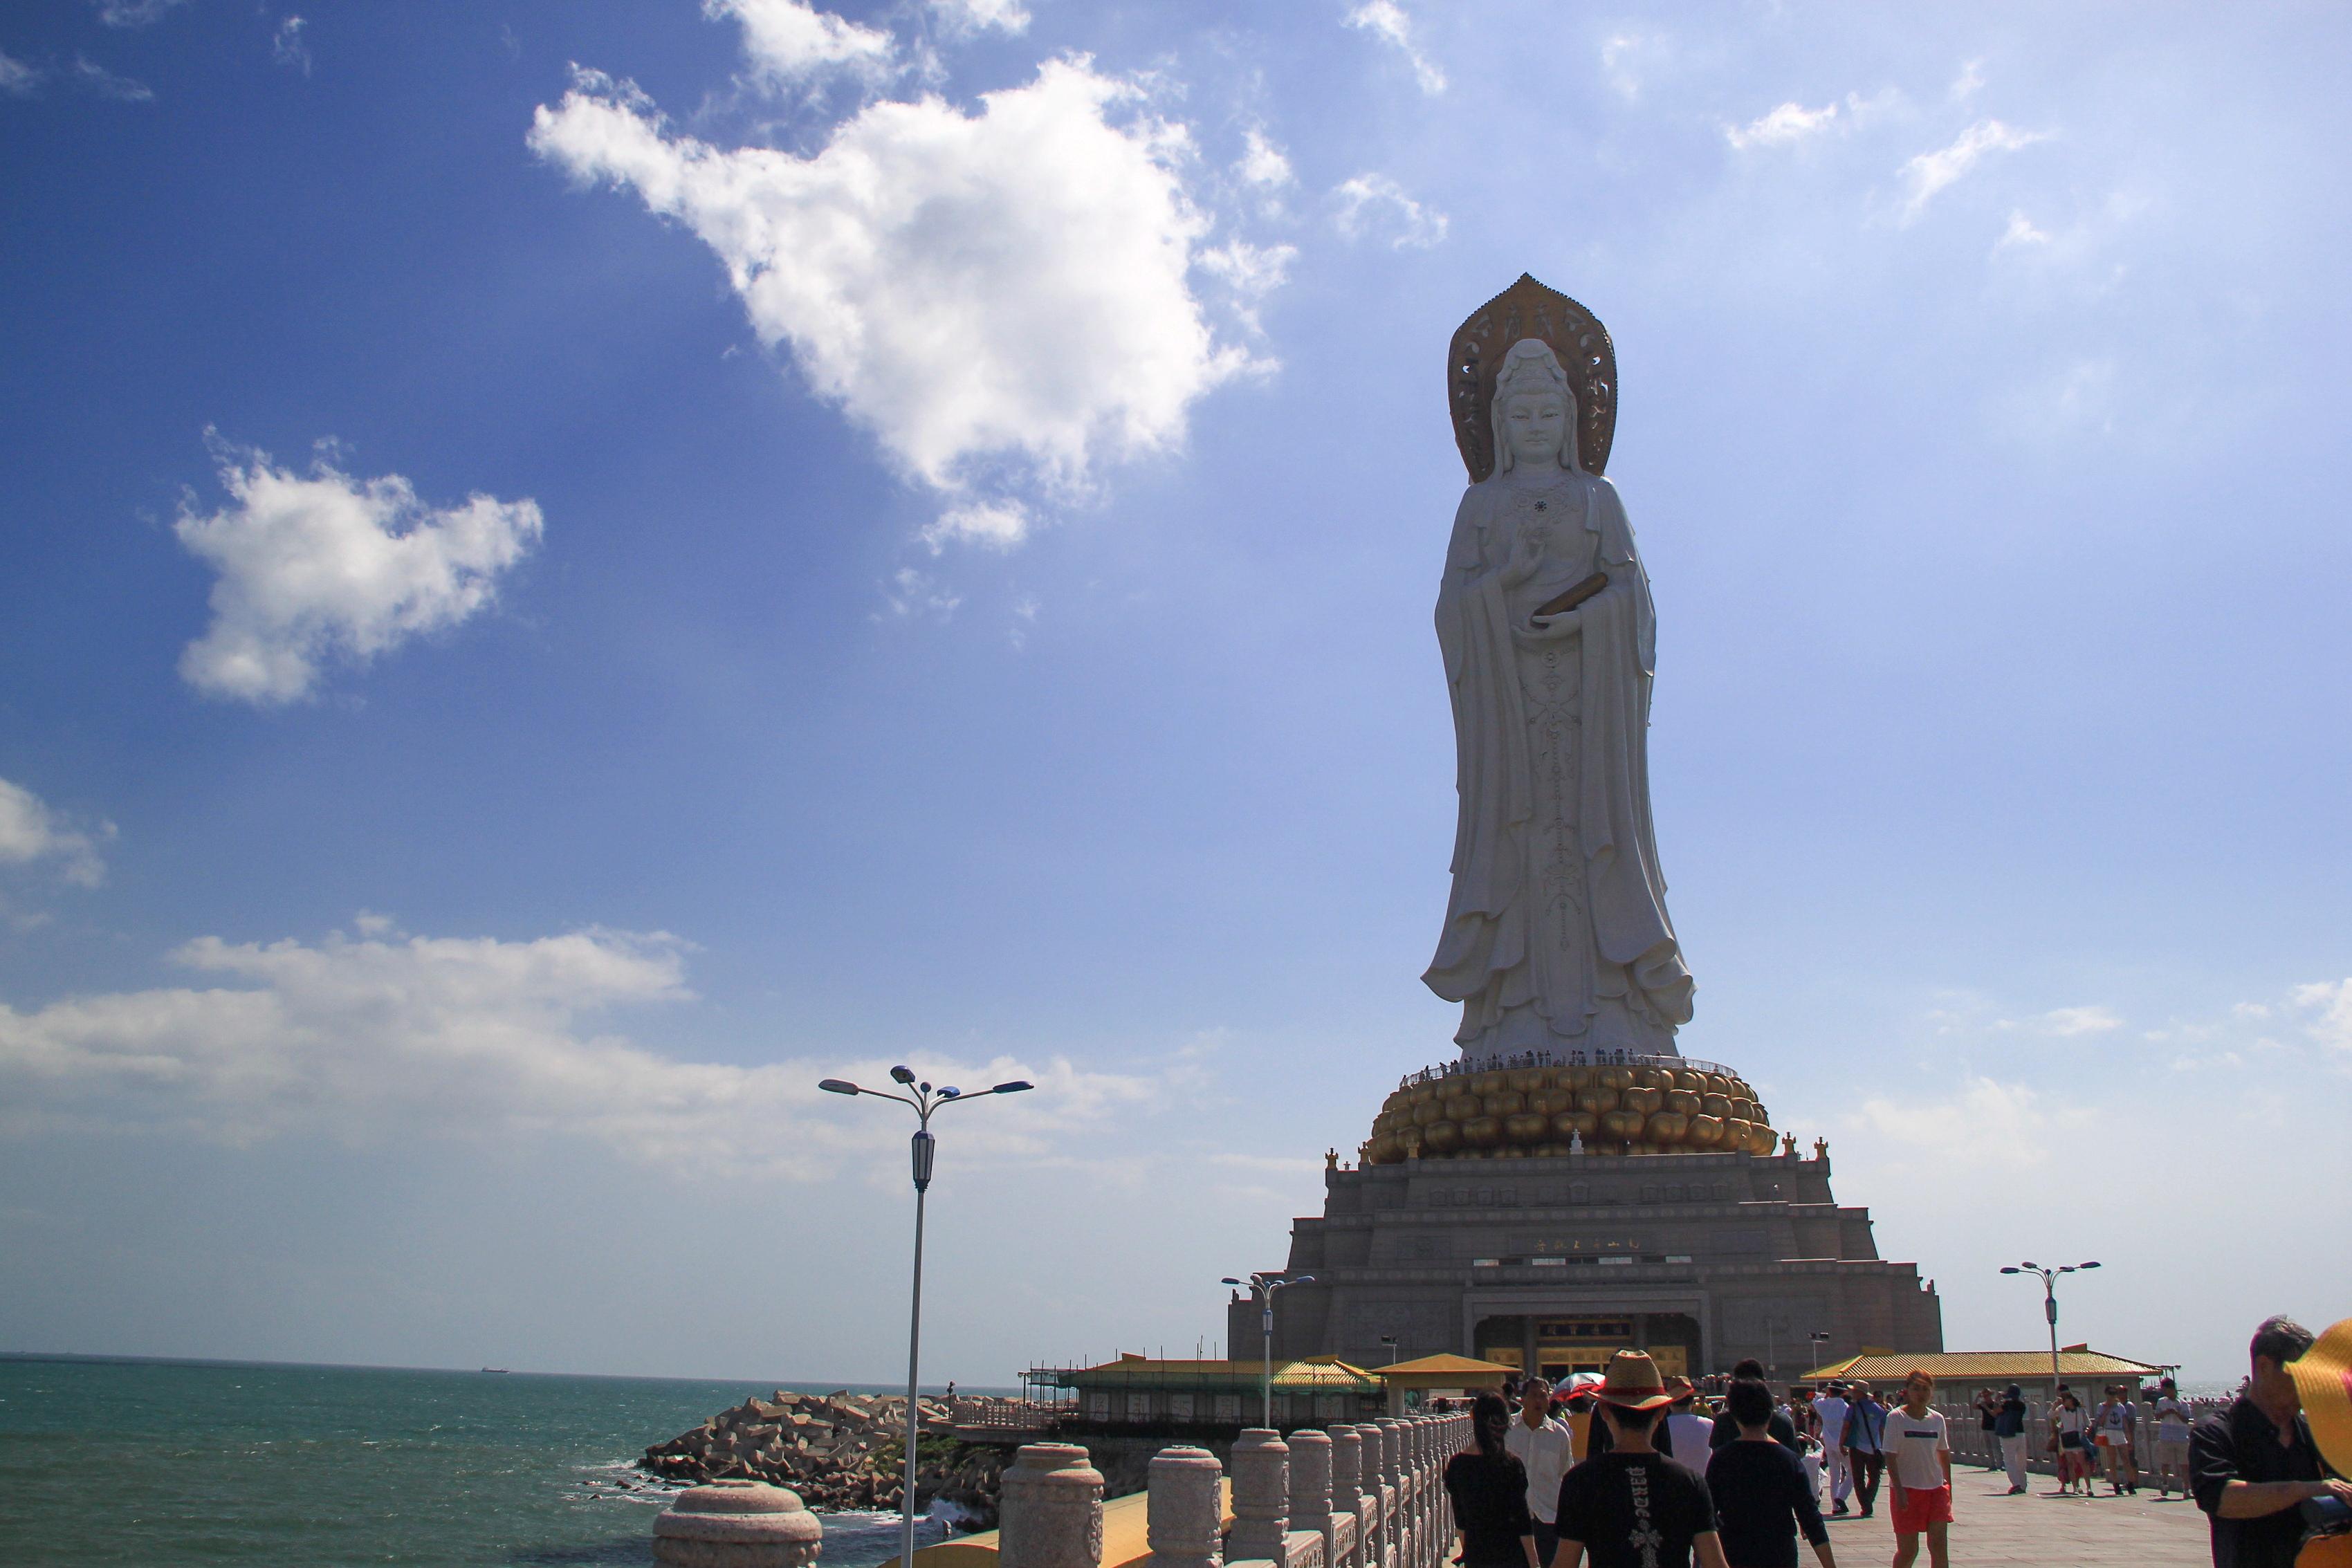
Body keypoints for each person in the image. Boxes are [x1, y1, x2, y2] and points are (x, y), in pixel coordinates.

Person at [2191, 1316, 2352, 1568]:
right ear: (2264, 1367)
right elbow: (2222, 1498)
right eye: (2299, 1377)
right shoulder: (2218, 1431)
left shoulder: (2315, 1434)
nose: (2307, 1388)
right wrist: (2308, 1489)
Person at [1554, 1349, 1729, 1568]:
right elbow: (1715, 1563)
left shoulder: (1580, 1481)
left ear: (1605, 1412)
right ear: (1661, 1412)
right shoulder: (1689, 1482)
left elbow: (1565, 1563)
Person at [1706, 1378, 1833, 1568]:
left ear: (1734, 1415)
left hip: (1734, 1553)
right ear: (1770, 1413)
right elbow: (1810, 1517)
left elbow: (1707, 1517)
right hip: (1780, 1554)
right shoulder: (1788, 1460)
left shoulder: (1721, 1459)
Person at [1445, 1391, 1542, 1568]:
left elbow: (1460, 1520)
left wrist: (1470, 1552)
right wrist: (1534, 1562)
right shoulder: (1511, 1465)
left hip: (1477, 1555)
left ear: (1473, 1418)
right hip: (1511, 1556)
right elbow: (1522, 1520)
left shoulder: (1457, 1466)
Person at [1884, 1371, 1951, 1568]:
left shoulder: (1937, 1419)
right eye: (1916, 1388)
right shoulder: (1896, 1418)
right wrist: (1899, 1490)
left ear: (1932, 1392)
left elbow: (1943, 1454)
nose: (1921, 1393)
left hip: (1936, 1490)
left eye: (1925, 1389)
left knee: (1939, 1546)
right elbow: (1890, 1456)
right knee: (1909, 1550)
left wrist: (1949, 1487)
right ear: (1907, 1391)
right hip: (1907, 1490)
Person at [1508, 1376, 1575, 1568]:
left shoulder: (1559, 1435)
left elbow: (1565, 1473)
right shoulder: (1508, 1430)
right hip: (1513, 1518)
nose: (1538, 1401)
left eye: (1543, 1396)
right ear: (1523, 1398)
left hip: (1547, 1517)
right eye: (1533, 1395)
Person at [1712, 1361, 1803, 1457]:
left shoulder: (1723, 1421)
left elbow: (1716, 1456)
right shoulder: (1783, 1421)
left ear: (1734, 1386)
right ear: (1764, 1383)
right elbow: (1795, 1459)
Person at [1841, 1384, 1886, 1519]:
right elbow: (1884, 1429)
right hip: (1874, 1448)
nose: (1852, 1393)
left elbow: (1846, 1427)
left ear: (1859, 1393)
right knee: (1875, 1477)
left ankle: (1866, 1505)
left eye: (1854, 1391)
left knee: (1858, 1478)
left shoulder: (1853, 1408)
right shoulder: (1879, 1409)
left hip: (1857, 1448)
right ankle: (1868, 1502)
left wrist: (1841, 1443)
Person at [1812, 1383, 1853, 1516]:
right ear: (1843, 1393)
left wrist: (1825, 1394)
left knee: (1834, 1475)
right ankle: (1841, 1496)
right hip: (1842, 1443)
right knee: (1852, 1471)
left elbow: (1815, 1401)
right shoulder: (1845, 1406)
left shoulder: (1823, 1405)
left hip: (1829, 1443)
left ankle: (1835, 1506)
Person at [2151, 1376, 2193, 1500]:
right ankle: (2165, 1483)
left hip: (2181, 1436)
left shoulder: (2183, 1403)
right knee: (2165, 1462)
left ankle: (2186, 1488)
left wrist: (2176, 1412)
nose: (2164, 1392)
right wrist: (2166, 1412)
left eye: (2165, 1389)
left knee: (2184, 1464)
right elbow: (2157, 1416)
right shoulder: (2161, 1402)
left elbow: (2186, 1420)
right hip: (2166, 1435)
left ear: (2172, 1389)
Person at [1660, 1378, 1716, 1464]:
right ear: (1692, 1402)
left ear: (1669, 1403)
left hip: (1673, 1476)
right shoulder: (1709, 1425)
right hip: (1702, 1477)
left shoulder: (1661, 1427)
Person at [2095, 1385, 2140, 1495]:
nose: (2112, 1397)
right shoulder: (2101, 1406)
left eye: (2114, 1394)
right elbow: (2100, 1422)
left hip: (2119, 1432)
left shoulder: (2120, 1407)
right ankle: (2116, 1484)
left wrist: (2129, 1438)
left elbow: (2124, 1423)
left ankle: (2131, 1483)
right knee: (2112, 1459)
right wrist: (2107, 1409)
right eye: (2110, 1394)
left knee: (2126, 1459)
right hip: (2109, 1432)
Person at [2052, 1390, 2091, 1495]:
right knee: (2070, 1463)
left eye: (2065, 1400)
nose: (2064, 1402)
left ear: (2071, 1399)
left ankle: (2089, 1487)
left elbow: (2088, 1423)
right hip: (2067, 1438)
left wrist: (2086, 1431)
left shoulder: (2080, 1410)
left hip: (2078, 1437)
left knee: (2083, 1462)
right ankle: (2075, 1487)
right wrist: (2055, 1406)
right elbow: (2050, 1415)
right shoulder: (2061, 1409)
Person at [1994, 1382, 2029, 1495]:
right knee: (2021, 1461)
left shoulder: (2006, 1404)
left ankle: (2016, 1484)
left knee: (2010, 1460)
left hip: (2008, 1434)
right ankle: (2023, 1485)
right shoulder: (2022, 1405)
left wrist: (1998, 1398)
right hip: (2020, 1433)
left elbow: (1996, 1411)